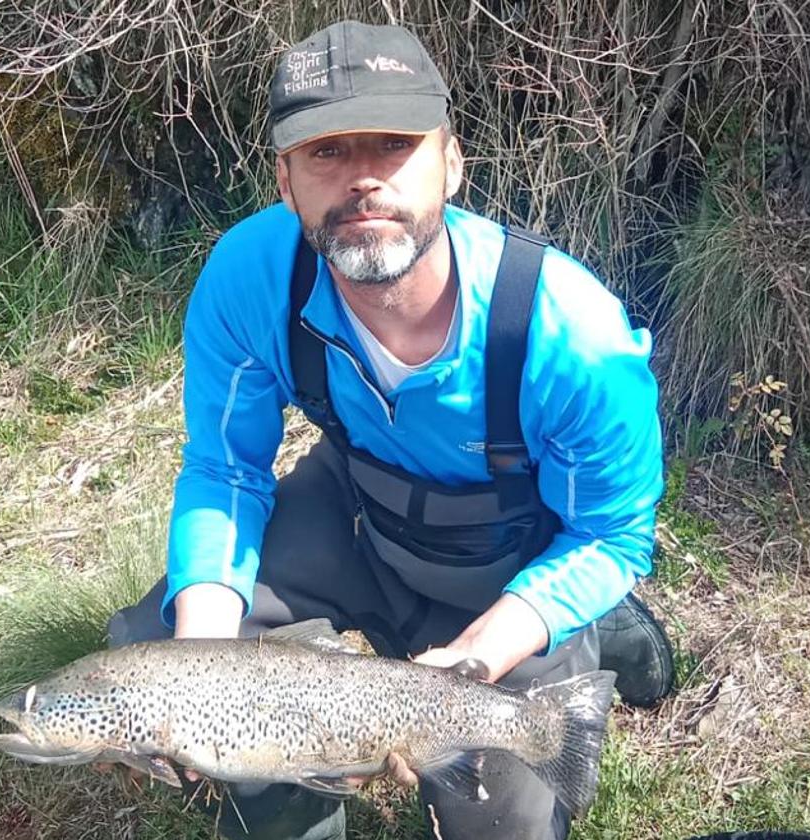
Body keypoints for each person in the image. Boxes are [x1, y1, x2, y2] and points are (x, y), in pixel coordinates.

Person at [106, 19, 673, 840]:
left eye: (393, 145)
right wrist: (202, 670)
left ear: (451, 160)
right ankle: (287, 807)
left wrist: (474, 662)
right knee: (150, 648)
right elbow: (226, 470)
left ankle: (598, 630)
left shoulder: (571, 335)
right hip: (358, 509)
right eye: (327, 153)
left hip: (509, 556)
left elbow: (613, 535)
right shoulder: (249, 275)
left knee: (499, 815)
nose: (363, 179)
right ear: (286, 180)